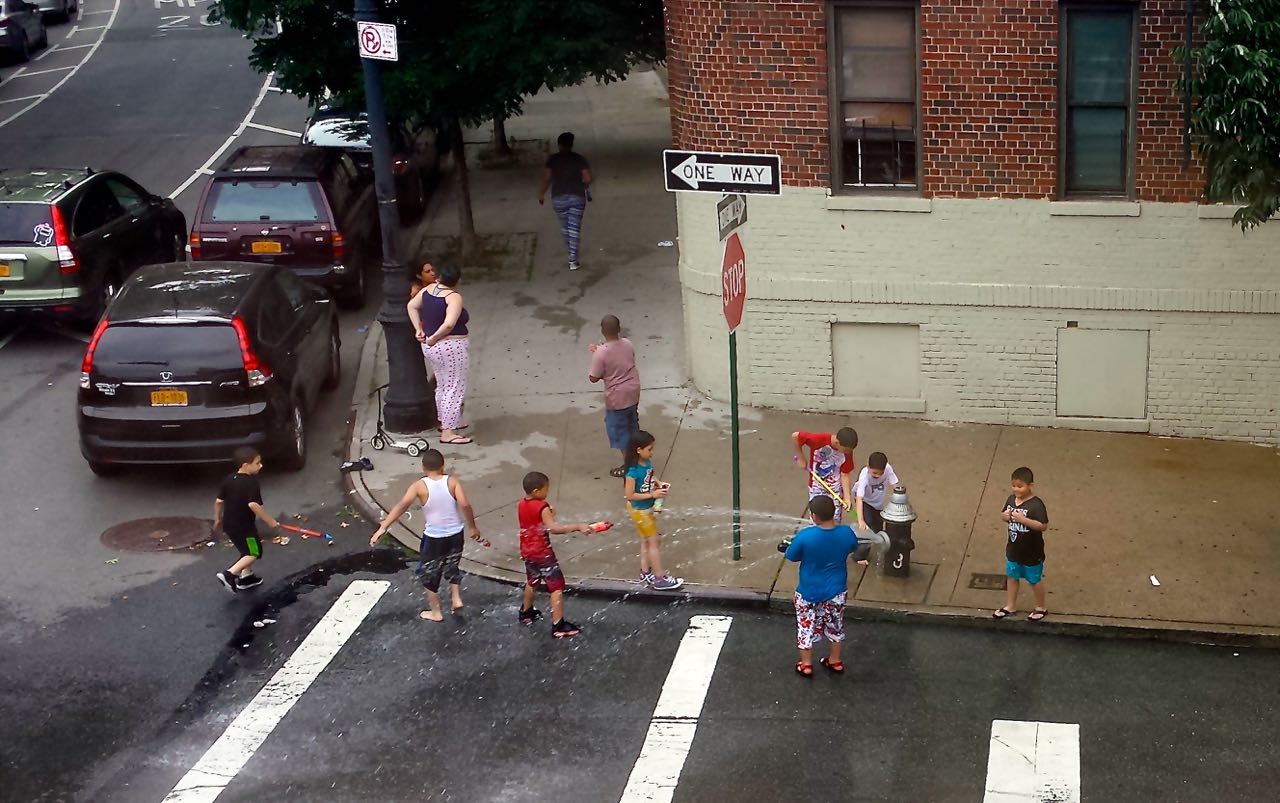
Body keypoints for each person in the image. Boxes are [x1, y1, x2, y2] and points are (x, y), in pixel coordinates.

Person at [369, 449, 482, 621]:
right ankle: (456, 597)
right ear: (443, 465)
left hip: (434, 537)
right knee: (452, 563)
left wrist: (383, 527)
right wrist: (472, 527)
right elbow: (465, 505)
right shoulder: (452, 482)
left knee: (429, 572)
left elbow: (401, 506)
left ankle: (436, 612)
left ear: (423, 468)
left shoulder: (419, 486)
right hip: (455, 533)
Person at [781, 495, 860, 677]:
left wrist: (789, 546)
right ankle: (835, 660)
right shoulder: (846, 533)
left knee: (805, 625)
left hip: (808, 591)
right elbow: (852, 547)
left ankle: (806, 664)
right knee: (835, 625)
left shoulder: (806, 536)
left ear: (814, 516)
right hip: (836, 590)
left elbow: (791, 556)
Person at [517, 471, 594, 638]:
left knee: (533, 580)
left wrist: (547, 515)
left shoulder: (521, 504)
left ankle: (526, 612)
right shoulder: (541, 506)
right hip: (542, 552)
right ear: (537, 491)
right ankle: (558, 624)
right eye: (546, 489)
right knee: (556, 586)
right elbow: (554, 529)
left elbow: (533, 522)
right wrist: (577, 526)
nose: (548, 492)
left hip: (527, 550)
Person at [408, 263, 471, 445]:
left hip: (431, 348)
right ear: (457, 280)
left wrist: (418, 329)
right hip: (451, 347)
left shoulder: (429, 290)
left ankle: (448, 421)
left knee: (443, 385)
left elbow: (412, 306)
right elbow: (449, 324)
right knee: (454, 387)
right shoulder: (453, 297)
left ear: (440, 277)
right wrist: (434, 337)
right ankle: (448, 432)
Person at [213, 446, 281, 594]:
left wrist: (217, 519)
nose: (261, 466)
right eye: (257, 463)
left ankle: (246, 578)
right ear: (245, 465)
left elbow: (219, 501)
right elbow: (253, 504)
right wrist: (270, 521)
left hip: (229, 525)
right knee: (254, 552)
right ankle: (229, 574)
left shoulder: (229, 479)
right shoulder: (252, 483)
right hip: (244, 527)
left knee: (246, 550)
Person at [622, 430, 683, 591]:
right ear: (638, 450)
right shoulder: (632, 472)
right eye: (649, 449)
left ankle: (645, 572)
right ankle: (659, 578)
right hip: (639, 510)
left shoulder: (646, 462)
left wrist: (658, 483)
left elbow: (650, 477)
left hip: (646, 508)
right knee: (654, 541)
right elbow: (629, 495)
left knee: (646, 540)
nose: (652, 452)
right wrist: (652, 494)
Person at [992, 466, 1050, 622]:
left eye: (1020, 486)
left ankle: (1040, 607)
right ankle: (1010, 605)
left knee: (1034, 579)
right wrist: (1006, 515)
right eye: (1013, 486)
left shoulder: (1036, 504)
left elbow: (1042, 525)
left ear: (1030, 486)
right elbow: (1003, 516)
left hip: (1032, 551)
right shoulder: (1011, 500)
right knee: (1011, 577)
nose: (1016, 489)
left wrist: (1023, 520)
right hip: (1013, 549)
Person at [588, 314, 641, 477]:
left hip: (617, 398)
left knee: (620, 431)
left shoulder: (600, 354)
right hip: (633, 391)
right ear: (619, 328)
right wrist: (601, 351)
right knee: (632, 425)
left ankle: (629, 467)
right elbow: (624, 360)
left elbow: (593, 378)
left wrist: (597, 354)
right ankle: (638, 456)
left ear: (602, 330)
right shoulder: (627, 343)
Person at [537, 131, 592, 270]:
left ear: (559, 144)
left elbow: (547, 178)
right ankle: (573, 259)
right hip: (577, 196)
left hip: (558, 197)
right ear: (572, 144)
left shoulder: (552, 160)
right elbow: (587, 178)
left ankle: (571, 253)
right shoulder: (579, 159)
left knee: (566, 227)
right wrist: (585, 185)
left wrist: (541, 193)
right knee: (574, 227)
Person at [791, 427, 859, 523]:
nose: (848, 453)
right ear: (837, 443)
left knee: (834, 520)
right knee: (816, 518)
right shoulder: (819, 439)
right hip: (816, 487)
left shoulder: (847, 452)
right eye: (846, 450)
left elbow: (845, 474)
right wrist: (800, 457)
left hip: (835, 490)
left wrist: (847, 498)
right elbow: (796, 436)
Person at [854, 451, 900, 535]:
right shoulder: (864, 476)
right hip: (865, 500)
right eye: (874, 473)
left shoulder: (888, 469)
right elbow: (859, 498)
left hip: (878, 502)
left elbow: (895, 485)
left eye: (881, 473)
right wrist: (861, 520)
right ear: (868, 466)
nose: (878, 476)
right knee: (869, 524)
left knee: (879, 526)